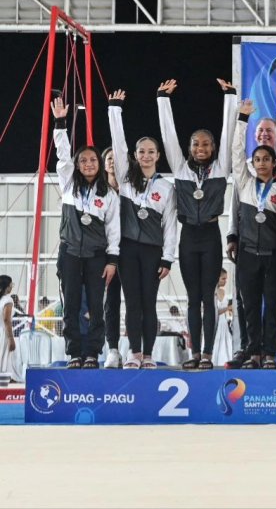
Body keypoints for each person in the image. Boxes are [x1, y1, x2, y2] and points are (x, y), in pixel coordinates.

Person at [157, 78, 236, 370]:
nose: (200, 147)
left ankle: (208, 355)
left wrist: (230, 96)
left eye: (205, 143)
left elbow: (228, 135)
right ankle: (193, 354)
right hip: (188, 235)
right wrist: (162, 100)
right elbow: (168, 136)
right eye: (195, 143)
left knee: (208, 298)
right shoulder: (179, 167)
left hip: (211, 236)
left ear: (213, 147)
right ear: (189, 148)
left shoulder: (221, 167)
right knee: (193, 299)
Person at [108, 89, 177, 370]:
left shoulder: (166, 187)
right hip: (127, 249)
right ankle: (133, 353)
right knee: (132, 303)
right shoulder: (126, 179)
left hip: (152, 251)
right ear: (134, 156)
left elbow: (170, 225)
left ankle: (148, 354)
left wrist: (168, 258)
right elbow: (118, 141)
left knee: (149, 303)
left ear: (158, 155)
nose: (146, 156)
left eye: (151, 152)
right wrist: (115, 109)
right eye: (141, 152)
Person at [52, 97, 120, 369]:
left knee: (95, 304)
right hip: (69, 253)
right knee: (70, 307)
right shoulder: (68, 185)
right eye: (84, 160)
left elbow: (113, 230)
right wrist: (60, 123)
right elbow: (61, 153)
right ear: (77, 165)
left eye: (93, 159)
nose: (89, 163)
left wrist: (112, 260)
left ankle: (92, 352)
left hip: (96, 256)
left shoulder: (109, 195)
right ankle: (74, 354)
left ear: (100, 164)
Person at [231, 98, 276, 369]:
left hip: (274, 255)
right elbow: (235, 153)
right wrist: (241, 119)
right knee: (250, 308)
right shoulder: (245, 184)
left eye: (266, 159)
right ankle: (253, 353)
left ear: (275, 163)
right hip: (248, 254)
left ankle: (271, 353)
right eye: (257, 159)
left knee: (272, 308)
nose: (261, 163)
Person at [99, 147, 125, 368]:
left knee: (139, 304)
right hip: (107, 254)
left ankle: (140, 351)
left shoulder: (131, 189)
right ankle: (113, 349)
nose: (112, 162)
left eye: (116, 159)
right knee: (111, 302)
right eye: (108, 158)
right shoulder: (98, 190)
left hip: (131, 252)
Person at [0, 276, 23, 382]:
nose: (12, 287)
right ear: (7, 286)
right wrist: (10, 338)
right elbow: (6, 319)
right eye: (11, 284)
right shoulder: (8, 300)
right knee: (5, 361)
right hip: (3, 333)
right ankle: (5, 385)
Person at [211, 269, 234, 366]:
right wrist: (227, 308)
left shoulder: (223, 292)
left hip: (224, 323)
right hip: (214, 323)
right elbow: (213, 311)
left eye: (226, 279)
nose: (225, 281)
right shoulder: (211, 292)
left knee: (226, 344)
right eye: (223, 279)